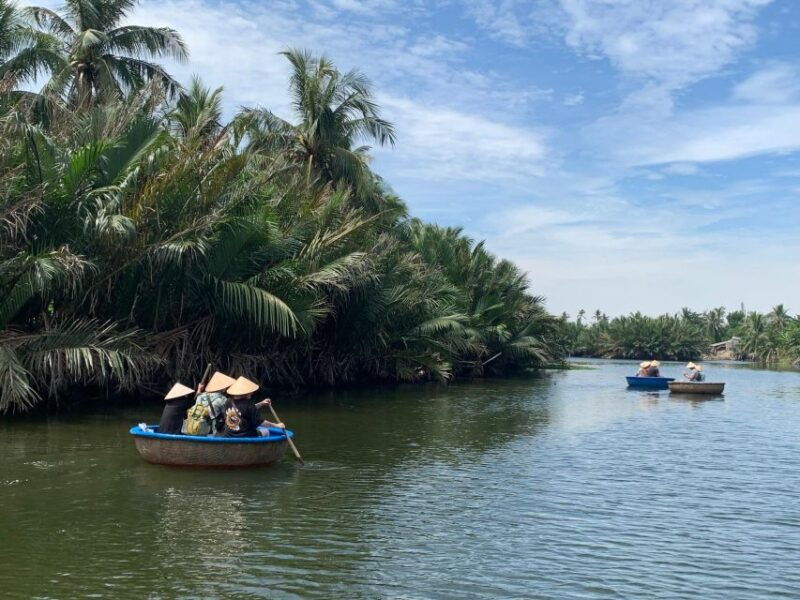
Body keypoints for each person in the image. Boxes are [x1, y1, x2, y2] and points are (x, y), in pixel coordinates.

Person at [217, 376, 284, 438]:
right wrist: (277, 425)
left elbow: (243, 410)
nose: (252, 393)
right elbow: (262, 423)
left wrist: (261, 403)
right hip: (246, 436)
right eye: (250, 392)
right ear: (245, 393)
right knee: (266, 431)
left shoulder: (228, 401)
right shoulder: (249, 405)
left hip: (229, 435)